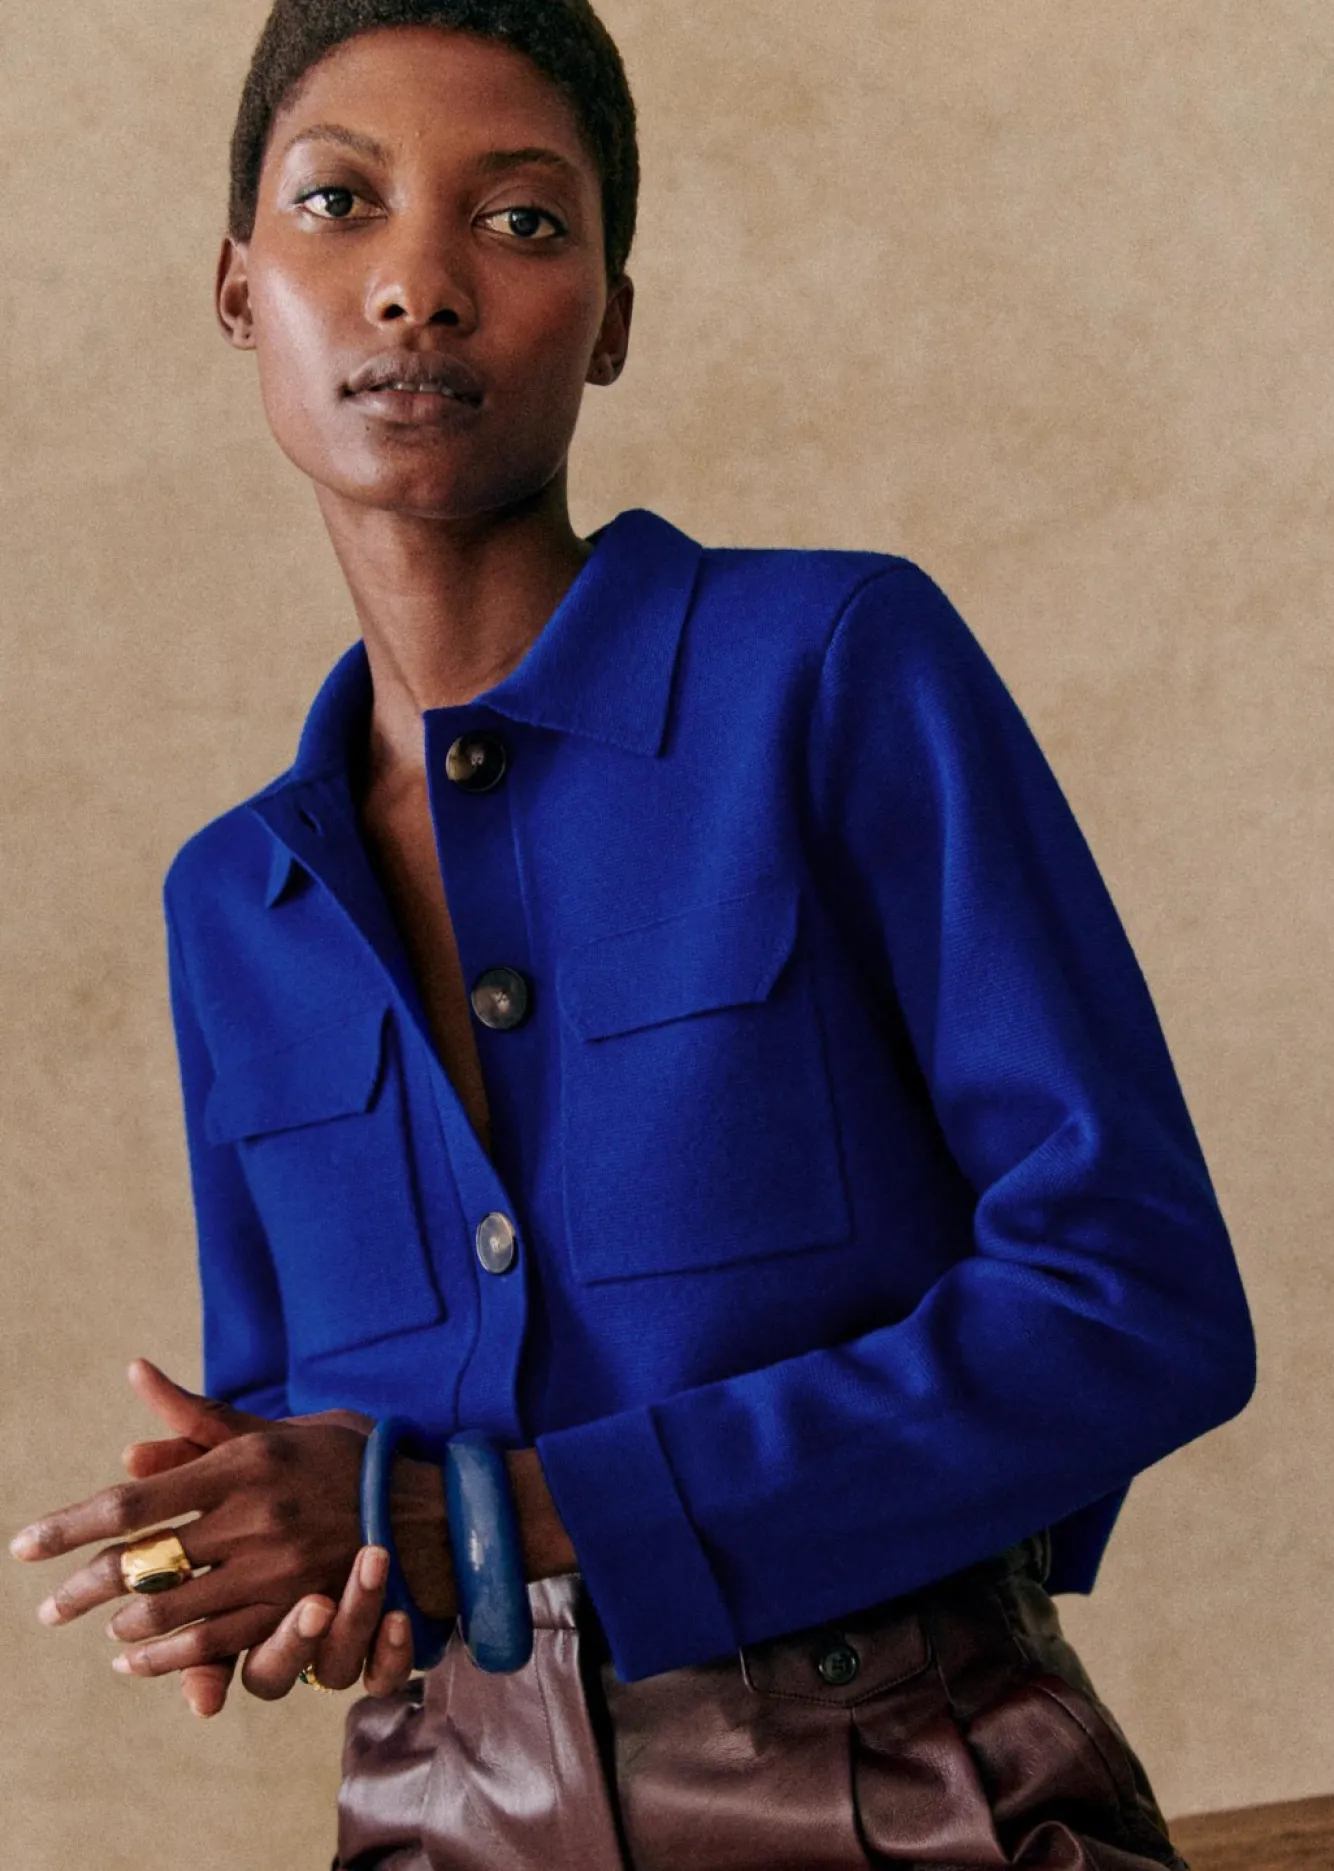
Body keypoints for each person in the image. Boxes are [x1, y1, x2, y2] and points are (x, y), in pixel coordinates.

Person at [10, 3, 1256, 1866]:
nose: (416, 285)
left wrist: (505, 1514)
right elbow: (318, 1460)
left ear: (607, 316)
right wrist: (260, 1560)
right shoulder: (235, 901)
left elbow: (1134, 1306)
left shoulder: (829, 672)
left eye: (518, 221)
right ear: (236, 287)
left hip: (908, 1795)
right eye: (339, 203)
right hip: (435, 1813)